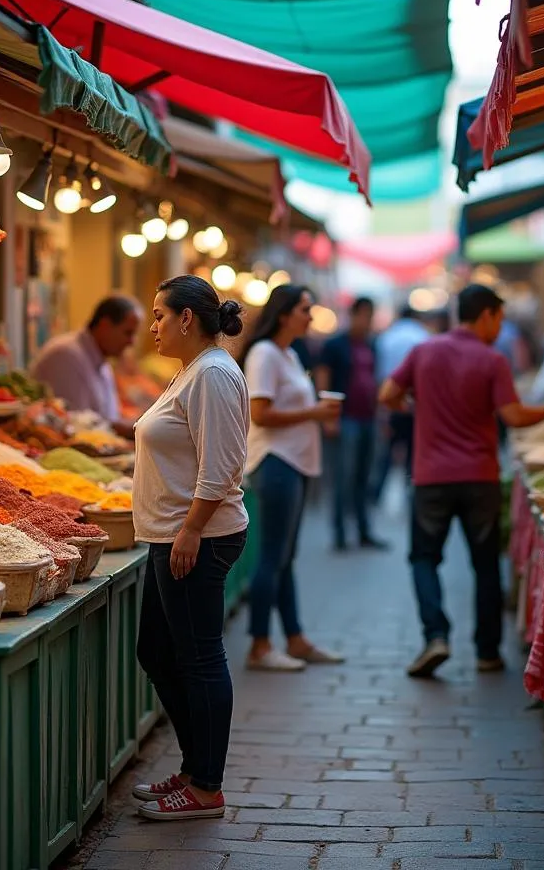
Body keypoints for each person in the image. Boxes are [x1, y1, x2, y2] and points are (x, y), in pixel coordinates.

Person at [379, 285, 544, 678]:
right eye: (498, 319)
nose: (499, 328)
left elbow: (387, 394)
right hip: (479, 477)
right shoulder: (492, 360)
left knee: (423, 558)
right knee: (484, 564)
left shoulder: (424, 352)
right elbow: (515, 417)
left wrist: (413, 404)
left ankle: (436, 635)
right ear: (485, 315)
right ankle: (487, 652)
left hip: (432, 477)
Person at [131, 275, 248, 822]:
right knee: (156, 652)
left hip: (196, 535)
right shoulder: (191, 372)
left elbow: (222, 465)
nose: (151, 325)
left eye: (159, 314)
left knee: (199, 657)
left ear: (186, 319)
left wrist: (192, 529)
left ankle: (206, 787)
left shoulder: (214, 375)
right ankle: (194, 766)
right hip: (171, 533)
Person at [241, 284, 345, 671]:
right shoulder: (265, 354)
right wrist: (314, 414)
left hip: (296, 464)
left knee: (285, 557)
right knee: (272, 556)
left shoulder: (287, 354)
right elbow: (261, 414)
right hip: (275, 462)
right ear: (284, 313)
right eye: (305, 308)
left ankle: (295, 638)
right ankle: (260, 645)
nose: (311, 315)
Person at [315, 297, 387, 551]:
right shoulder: (335, 345)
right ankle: (340, 534)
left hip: (367, 418)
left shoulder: (372, 345)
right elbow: (323, 379)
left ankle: (364, 530)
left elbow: (374, 381)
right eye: (365, 315)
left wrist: (381, 416)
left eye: (370, 316)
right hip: (345, 419)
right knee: (343, 478)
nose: (367, 321)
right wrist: (328, 417)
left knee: (364, 477)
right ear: (354, 315)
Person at [31, 295, 140, 436]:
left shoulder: (101, 360)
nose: (132, 342)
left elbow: (107, 419)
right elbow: (75, 424)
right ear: (105, 325)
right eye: (128, 333)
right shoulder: (66, 355)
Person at [371, 304, 429, 503]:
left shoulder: (387, 337)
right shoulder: (422, 336)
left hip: (391, 402)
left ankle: (376, 492)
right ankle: (411, 490)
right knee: (413, 452)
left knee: (387, 451)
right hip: (415, 405)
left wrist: (383, 410)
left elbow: (380, 376)